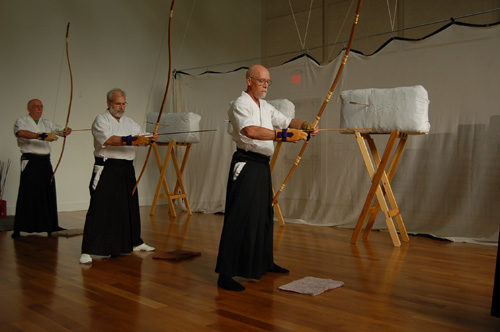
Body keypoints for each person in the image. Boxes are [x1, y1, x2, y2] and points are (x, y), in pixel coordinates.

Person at [215, 64, 319, 291]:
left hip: (261, 165)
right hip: (245, 163)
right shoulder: (240, 104)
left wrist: (305, 126)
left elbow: (286, 121)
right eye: (261, 81)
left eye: (268, 82)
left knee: (263, 215)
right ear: (249, 80)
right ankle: (226, 273)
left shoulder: (265, 106)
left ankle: (264, 261)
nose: (265, 86)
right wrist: (284, 136)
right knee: (239, 216)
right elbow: (250, 131)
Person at [80, 88, 159, 264]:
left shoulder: (130, 122)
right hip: (107, 167)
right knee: (99, 206)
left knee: (129, 206)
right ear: (109, 103)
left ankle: (134, 242)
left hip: (126, 168)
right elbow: (108, 140)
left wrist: (149, 138)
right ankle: (88, 249)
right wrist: (131, 140)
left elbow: (140, 138)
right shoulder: (101, 120)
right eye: (118, 103)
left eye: (123, 104)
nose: (121, 107)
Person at [12, 99, 72, 238]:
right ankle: (19, 227)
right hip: (30, 161)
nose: (39, 109)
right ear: (29, 108)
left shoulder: (46, 123)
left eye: (41, 107)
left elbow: (60, 131)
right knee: (28, 192)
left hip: (45, 161)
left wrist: (65, 130)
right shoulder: (21, 121)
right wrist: (40, 136)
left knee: (47, 192)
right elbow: (20, 133)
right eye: (35, 107)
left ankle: (50, 225)